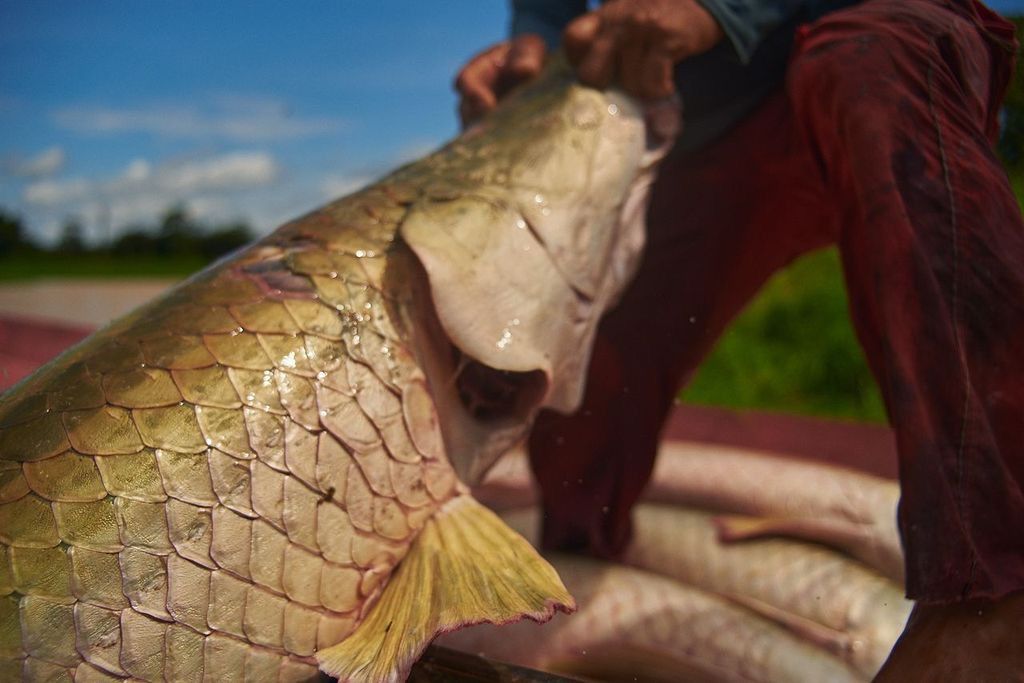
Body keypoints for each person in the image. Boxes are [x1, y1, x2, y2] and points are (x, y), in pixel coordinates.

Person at [455, 0, 1024, 678]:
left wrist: (725, 11)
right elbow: (551, 12)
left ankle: (996, 592)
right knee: (597, 381)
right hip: (706, 128)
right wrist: (535, 59)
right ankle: (578, 560)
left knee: (866, 56)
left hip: (873, 42)